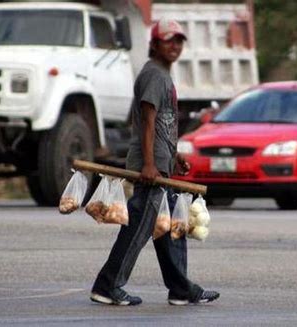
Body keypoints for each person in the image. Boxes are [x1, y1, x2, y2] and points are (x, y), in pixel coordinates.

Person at [90, 19, 220, 306]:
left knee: (171, 228)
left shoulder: (162, 74)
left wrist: (174, 155)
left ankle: (181, 289)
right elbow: (147, 122)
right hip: (149, 169)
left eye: (178, 41)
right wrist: (149, 163)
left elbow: (163, 125)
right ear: (154, 44)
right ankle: (107, 286)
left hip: (161, 162)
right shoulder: (154, 75)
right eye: (168, 40)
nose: (174, 46)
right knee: (137, 229)